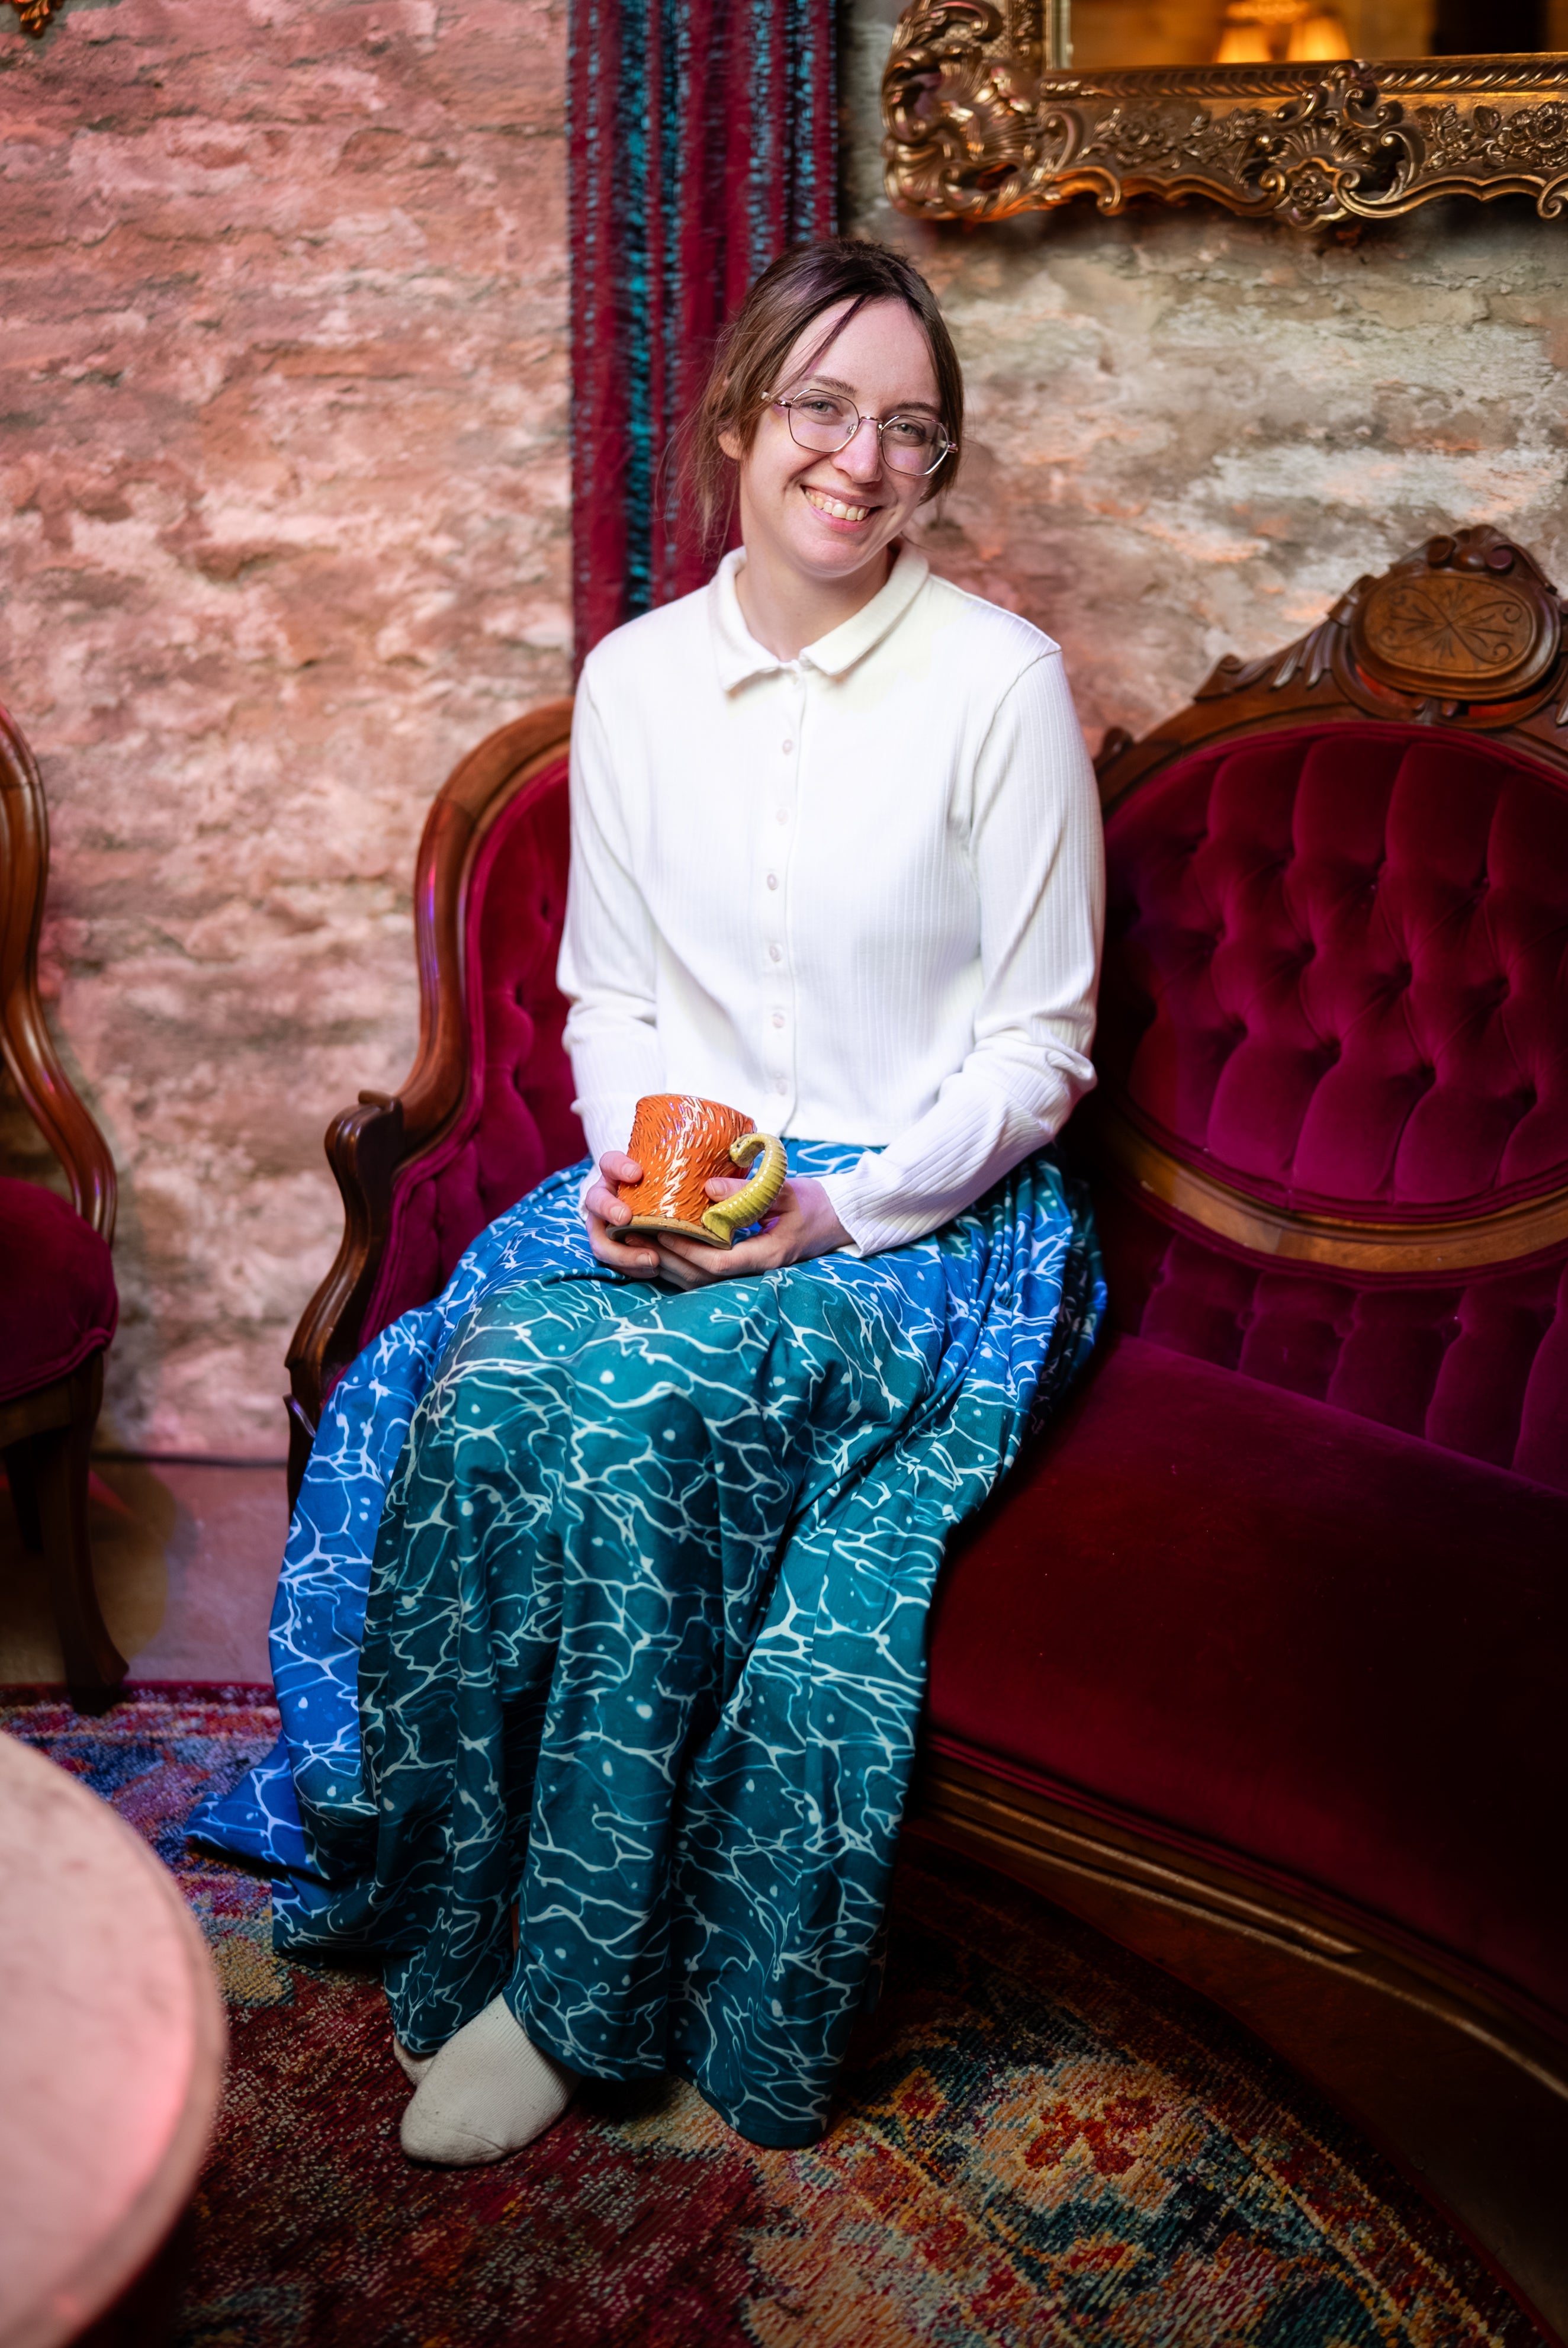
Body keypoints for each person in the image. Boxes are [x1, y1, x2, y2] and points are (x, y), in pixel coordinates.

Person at [192, 235, 1106, 2166]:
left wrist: (827, 1220)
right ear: (740, 421)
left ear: (937, 467)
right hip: (675, 1166)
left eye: (913, 430)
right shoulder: (634, 683)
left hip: (921, 1215)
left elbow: (1040, 1052)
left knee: (635, 1412)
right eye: (826, 407)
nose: (864, 459)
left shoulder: (999, 686)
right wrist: (642, 1172)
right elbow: (609, 997)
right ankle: (457, 1905)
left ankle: (570, 1993)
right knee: (459, 1387)